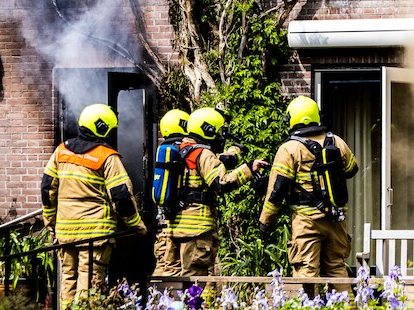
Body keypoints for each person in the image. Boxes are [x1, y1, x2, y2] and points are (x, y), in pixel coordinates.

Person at [41, 103, 147, 306]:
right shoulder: (106, 157)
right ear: (103, 127)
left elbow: (47, 189)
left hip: (65, 233)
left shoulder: (61, 152)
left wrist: (50, 222)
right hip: (95, 236)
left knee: (68, 282)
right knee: (89, 286)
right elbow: (121, 196)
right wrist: (136, 224)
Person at [259, 95, 358, 295]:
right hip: (336, 220)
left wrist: (265, 222)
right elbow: (352, 169)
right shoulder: (337, 141)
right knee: (337, 269)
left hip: (306, 222)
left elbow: (277, 191)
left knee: (306, 274)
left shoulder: (289, 149)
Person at [170, 107, 267, 276]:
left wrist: (234, 152)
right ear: (208, 129)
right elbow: (221, 184)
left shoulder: (182, 150)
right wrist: (248, 169)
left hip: (178, 225)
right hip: (197, 229)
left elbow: (218, 162)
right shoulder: (203, 153)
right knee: (195, 279)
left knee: (180, 281)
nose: (220, 136)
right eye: (218, 131)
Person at [152, 109, 190, 278]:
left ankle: (158, 302)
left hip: (165, 224)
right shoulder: (187, 150)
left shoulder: (163, 149)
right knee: (191, 273)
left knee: (164, 270)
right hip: (184, 220)